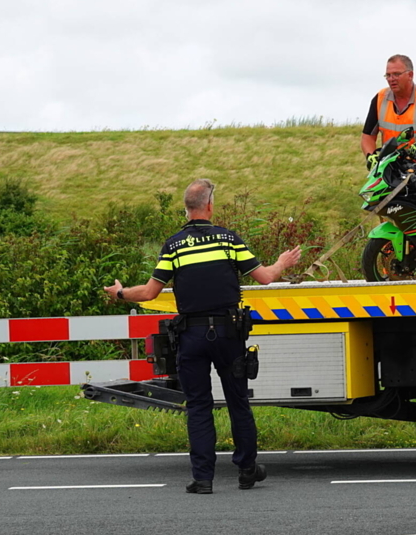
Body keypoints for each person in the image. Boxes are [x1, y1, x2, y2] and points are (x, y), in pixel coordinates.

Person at [104, 179, 300, 495]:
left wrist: (120, 293)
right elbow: (265, 278)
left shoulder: (173, 246)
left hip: (191, 336)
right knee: (238, 402)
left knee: (198, 406)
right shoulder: (229, 240)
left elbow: (150, 293)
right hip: (228, 333)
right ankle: (247, 470)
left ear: (187, 209)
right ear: (209, 205)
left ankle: (203, 478)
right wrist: (282, 262)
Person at [361, 54, 416, 170]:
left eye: (396, 74)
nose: (391, 79)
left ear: (410, 75)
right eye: (388, 75)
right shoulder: (380, 99)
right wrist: (370, 156)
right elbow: (367, 136)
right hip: (391, 171)